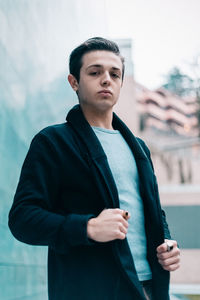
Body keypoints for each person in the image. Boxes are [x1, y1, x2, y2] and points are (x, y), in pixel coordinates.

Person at [8, 37, 180, 300]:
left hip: (148, 288)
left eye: (115, 74)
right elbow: (23, 219)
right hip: (90, 290)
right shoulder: (53, 142)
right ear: (74, 81)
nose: (106, 79)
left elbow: (152, 210)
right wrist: (86, 227)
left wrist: (166, 242)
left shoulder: (139, 148)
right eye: (95, 72)